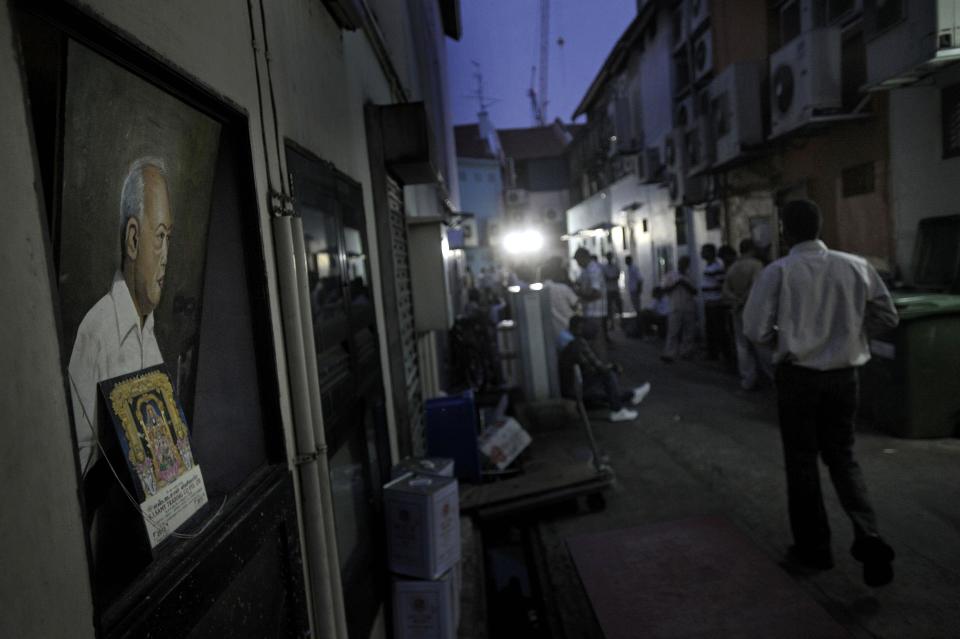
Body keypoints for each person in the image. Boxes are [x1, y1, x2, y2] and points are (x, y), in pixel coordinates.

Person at [743, 199, 898, 586]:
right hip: (846, 378)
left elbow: (755, 332)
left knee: (802, 464)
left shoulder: (779, 272)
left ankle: (815, 550)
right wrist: (850, 337)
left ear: (785, 231)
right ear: (820, 225)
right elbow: (887, 316)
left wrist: (792, 337)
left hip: (799, 380)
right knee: (843, 459)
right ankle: (869, 534)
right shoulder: (856, 265)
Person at [69, 157, 172, 477]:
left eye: (170, 237)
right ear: (132, 239)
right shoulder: (95, 333)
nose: (166, 256)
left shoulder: (150, 333)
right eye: (159, 237)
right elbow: (76, 469)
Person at [559, 316, 650, 422]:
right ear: (579, 328)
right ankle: (618, 410)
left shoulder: (566, 337)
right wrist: (613, 367)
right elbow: (598, 367)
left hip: (569, 386)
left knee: (606, 389)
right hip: (573, 390)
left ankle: (632, 395)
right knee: (608, 375)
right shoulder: (578, 343)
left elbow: (588, 366)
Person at [722, 239, 767, 389]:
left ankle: (748, 378)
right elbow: (756, 286)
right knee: (759, 343)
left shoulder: (733, 267)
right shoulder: (756, 265)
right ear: (752, 249)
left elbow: (725, 290)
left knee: (742, 345)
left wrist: (736, 301)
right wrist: (743, 300)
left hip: (737, 310)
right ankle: (766, 376)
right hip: (753, 309)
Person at [573, 247, 608, 359]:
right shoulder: (586, 270)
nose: (577, 263)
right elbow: (577, 282)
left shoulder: (594, 270)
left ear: (584, 258)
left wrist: (581, 295)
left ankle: (604, 369)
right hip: (589, 310)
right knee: (593, 342)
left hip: (595, 311)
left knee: (597, 342)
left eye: (578, 260)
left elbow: (596, 293)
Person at [661, 256, 697, 362]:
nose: (683, 265)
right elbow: (665, 289)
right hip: (675, 307)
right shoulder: (670, 275)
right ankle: (670, 353)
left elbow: (695, 291)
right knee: (673, 331)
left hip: (688, 307)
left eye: (686, 263)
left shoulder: (690, 276)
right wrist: (677, 283)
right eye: (682, 263)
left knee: (689, 331)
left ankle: (686, 352)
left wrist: (685, 284)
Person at [540, 256, 580, 348]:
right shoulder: (564, 288)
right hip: (568, 329)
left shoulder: (541, 289)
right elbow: (576, 305)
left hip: (551, 331)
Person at [700, 243, 729, 361]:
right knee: (711, 330)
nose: (701, 254)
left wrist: (711, 290)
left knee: (719, 330)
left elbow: (722, 284)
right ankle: (713, 354)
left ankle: (725, 355)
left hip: (716, 303)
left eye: (704, 251)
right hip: (709, 302)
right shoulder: (708, 266)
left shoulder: (717, 267)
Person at [602, 252, 622, 332]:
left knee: (619, 306)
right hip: (608, 290)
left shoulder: (615, 266)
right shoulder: (605, 267)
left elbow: (617, 276)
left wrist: (611, 278)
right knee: (609, 308)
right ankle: (612, 324)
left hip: (615, 289)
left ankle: (621, 322)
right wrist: (611, 278)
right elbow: (605, 277)